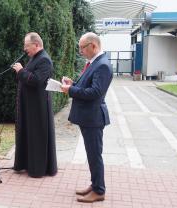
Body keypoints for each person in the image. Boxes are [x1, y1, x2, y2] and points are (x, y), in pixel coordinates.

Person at [61, 32, 113, 203]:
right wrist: (73, 85)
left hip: (93, 118)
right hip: (89, 117)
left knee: (94, 154)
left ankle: (99, 190)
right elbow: (87, 86)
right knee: (92, 154)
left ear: (93, 46)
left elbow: (95, 93)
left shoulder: (102, 65)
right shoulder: (94, 63)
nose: (80, 51)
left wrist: (71, 91)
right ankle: (95, 184)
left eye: (82, 47)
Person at [12, 32, 57, 178]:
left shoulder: (44, 60)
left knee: (37, 136)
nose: (25, 49)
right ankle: (26, 164)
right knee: (28, 135)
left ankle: (38, 169)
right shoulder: (35, 58)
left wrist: (20, 71)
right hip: (30, 105)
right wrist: (22, 72)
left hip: (38, 107)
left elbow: (37, 81)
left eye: (27, 46)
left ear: (36, 45)